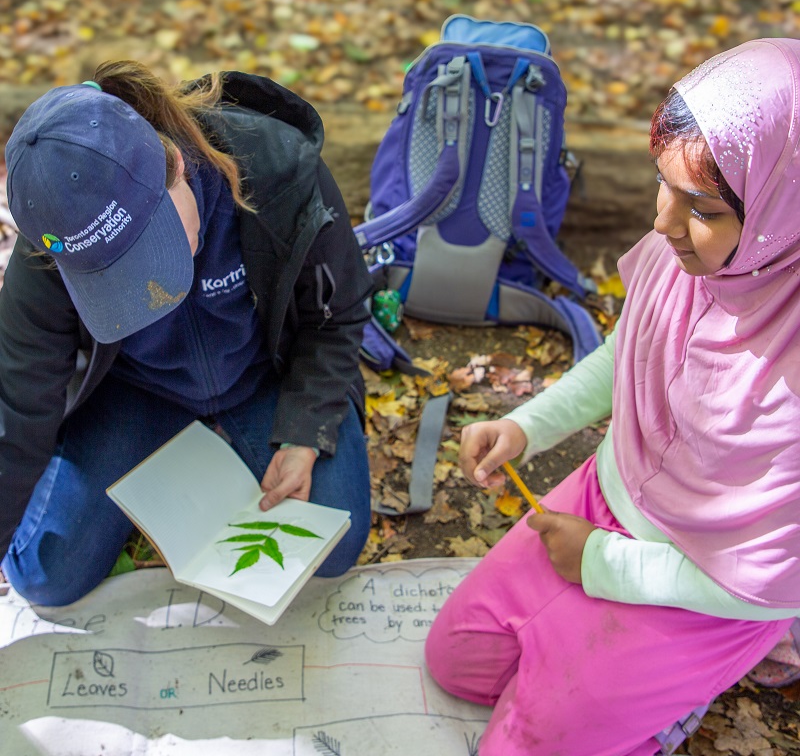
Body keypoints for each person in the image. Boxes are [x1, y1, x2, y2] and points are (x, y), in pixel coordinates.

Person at [424, 38, 800, 756]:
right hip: (607, 499)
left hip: (709, 583)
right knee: (457, 659)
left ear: (782, 213)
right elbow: (629, 355)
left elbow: (771, 578)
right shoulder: (686, 255)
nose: (662, 224)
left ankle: (679, 702)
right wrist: (526, 426)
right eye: (664, 184)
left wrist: (603, 565)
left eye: (701, 207)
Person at [0, 61, 373, 606]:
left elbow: (336, 315)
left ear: (175, 162)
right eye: (112, 274)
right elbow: (17, 406)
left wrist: (304, 432)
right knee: (43, 575)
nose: (148, 283)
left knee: (333, 546)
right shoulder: (54, 244)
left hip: (263, 376)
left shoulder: (275, 166)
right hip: (137, 393)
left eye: (153, 246)